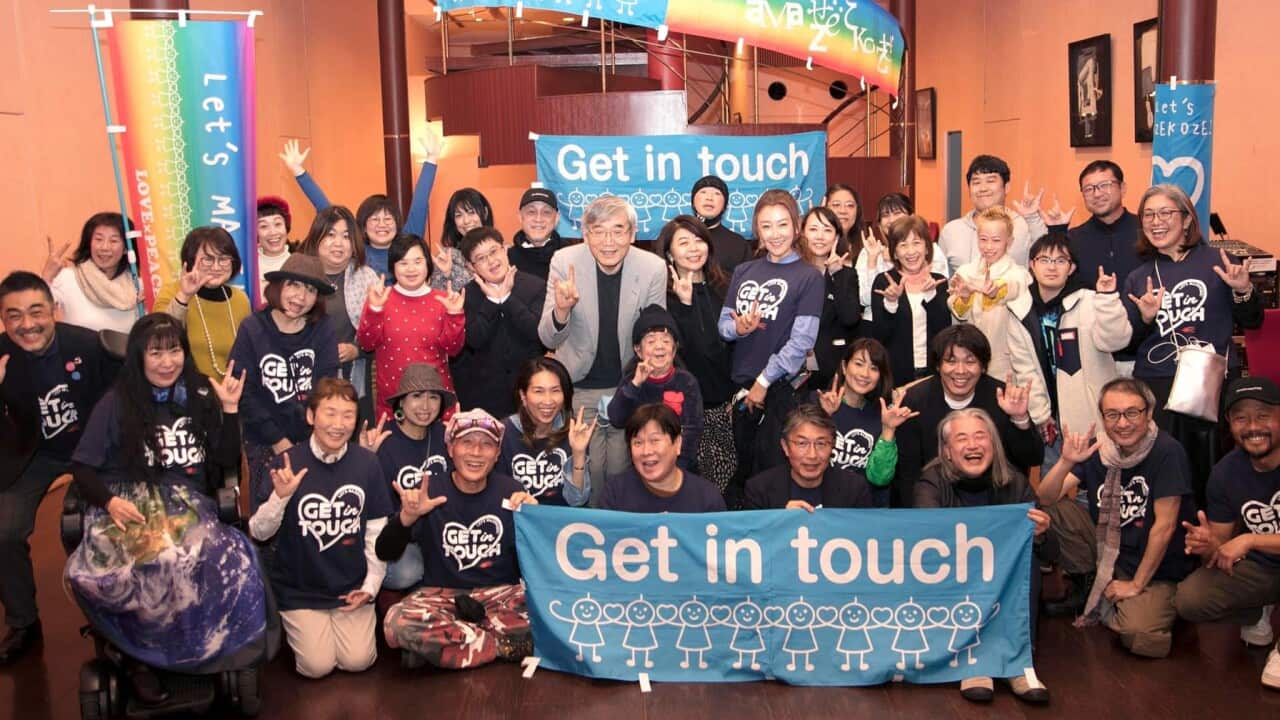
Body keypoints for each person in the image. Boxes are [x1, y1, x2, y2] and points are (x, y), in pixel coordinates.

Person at [67, 313, 259, 704]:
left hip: (187, 502)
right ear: (139, 357)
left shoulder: (201, 394)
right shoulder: (116, 401)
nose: (167, 361)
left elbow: (223, 462)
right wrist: (109, 501)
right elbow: (81, 469)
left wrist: (230, 409)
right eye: (156, 353)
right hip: (128, 500)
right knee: (145, 563)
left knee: (229, 558)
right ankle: (138, 659)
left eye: (174, 351)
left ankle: (206, 650)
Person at [0, 271, 115, 664]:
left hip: (88, 452)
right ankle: (23, 622)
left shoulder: (88, 343)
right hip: (30, 456)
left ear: (54, 310)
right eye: (13, 316)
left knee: (86, 526)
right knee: (3, 532)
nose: (27, 324)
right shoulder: (1, 357)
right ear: (3, 320)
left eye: (36, 311)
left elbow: (118, 402)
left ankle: (111, 619)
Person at [1036, 378, 1195, 659]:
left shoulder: (1167, 452)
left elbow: (1165, 527)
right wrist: (1066, 462)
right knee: (1048, 511)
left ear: (1149, 413)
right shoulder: (1101, 449)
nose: (1122, 423)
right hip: (1111, 554)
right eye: (1112, 415)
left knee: (1141, 636)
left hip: (1156, 567)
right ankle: (1093, 585)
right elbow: (1047, 498)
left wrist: (1136, 585)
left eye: (1132, 413)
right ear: (1103, 418)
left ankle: (1155, 602)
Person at [1123, 184, 1262, 503]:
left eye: (1165, 213)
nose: (1155, 221)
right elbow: (1130, 344)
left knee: (1209, 475)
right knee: (1163, 478)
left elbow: (1253, 321)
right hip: (1156, 384)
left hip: (1208, 385)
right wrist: (1145, 319)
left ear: (1186, 219)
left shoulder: (1220, 261)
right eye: (1148, 215)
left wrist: (1242, 290)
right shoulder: (1138, 276)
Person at [248, 378, 392, 679]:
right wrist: (281, 498)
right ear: (311, 417)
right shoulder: (286, 462)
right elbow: (259, 532)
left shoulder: (368, 464)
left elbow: (377, 533)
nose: (338, 424)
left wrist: (370, 588)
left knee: (358, 661)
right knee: (317, 667)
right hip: (299, 589)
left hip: (350, 588)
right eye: (329, 413)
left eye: (348, 415)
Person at [379, 409, 539, 670]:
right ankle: (501, 645)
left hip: (500, 595)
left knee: (547, 613)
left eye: (486, 444)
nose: (476, 452)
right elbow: (384, 551)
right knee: (396, 622)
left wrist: (535, 517)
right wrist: (406, 517)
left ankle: (448, 647)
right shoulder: (428, 490)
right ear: (451, 448)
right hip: (442, 597)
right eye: (466, 442)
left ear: (497, 454)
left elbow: (536, 561)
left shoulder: (511, 490)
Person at [915, 408, 1053, 704]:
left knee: (1026, 561)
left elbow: (1050, 553)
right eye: (962, 439)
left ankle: (1019, 663)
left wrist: (1040, 532)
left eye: (981, 436)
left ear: (993, 444)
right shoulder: (931, 481)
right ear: (948, 452)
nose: (973, 445)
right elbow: (927, 542)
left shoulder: (1015, 482)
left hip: (1002, 586)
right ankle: (972, 657)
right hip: (951, 584)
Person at [539, 195, 667, 500]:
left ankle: (623, 539)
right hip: (581, 387)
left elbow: (654, 333)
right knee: (591, 472)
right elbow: (548, 339)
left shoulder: (652, 267)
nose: (608, 241)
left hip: (628, 386)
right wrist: (561, 311)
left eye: (618, 230)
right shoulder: (563, 262)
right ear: (585, 234)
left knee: (625, 472)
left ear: (633, 234)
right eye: (598, 231)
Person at [1174, 377, 1280, 689]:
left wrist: (1248, 539)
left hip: (1259, 551)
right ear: (1229, 425)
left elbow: (1242, 542)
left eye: (1263, 416)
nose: (1252, 426)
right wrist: (1207, 545)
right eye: (1241, 418)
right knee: (1190, 599)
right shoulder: (1224, 473)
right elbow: (1221, 545)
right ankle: (1258, 607)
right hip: (1262, 567)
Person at [718, 189, 824, 485]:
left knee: (774, 477)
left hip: (780, 390)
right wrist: (738, 329)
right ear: (757, 230)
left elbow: (802, 342)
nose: (775, 234)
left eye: (782, 224)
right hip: (741, 387)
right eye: (766, 226)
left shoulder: (809, 276)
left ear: (796, 226)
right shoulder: (744, 270)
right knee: (744, 475)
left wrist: (763, 382)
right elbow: (723, 324)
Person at [1006, 233, 1131, 469]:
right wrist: (1041, 415)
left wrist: (1107, 299)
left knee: (1095, 490)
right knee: (1053, 491)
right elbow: (1025, 369)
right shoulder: (1019, 310)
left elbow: (1116, 341)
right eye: (1044, 260)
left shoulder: (1091, 301)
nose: (1052, 267)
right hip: (1051, 422)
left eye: (1060, 261)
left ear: (1071, 268)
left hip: (1092, 417)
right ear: (1032, 265)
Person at [229, 254, 340, 510]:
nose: (300, 297)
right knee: (269, 517)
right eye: (294, 285)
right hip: (263, 440)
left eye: (310, 290)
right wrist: (279, 441)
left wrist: (311, 439)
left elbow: (327, 385)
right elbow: (244, 390)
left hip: (313, 435)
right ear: (278, 287)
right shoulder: (252, 328)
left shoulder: (322, 328)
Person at [894, 325, 1043, 508]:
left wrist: (1019, 418)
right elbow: (908, 473)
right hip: (937, 501)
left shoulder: (1002, 398)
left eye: (970, 361)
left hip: (995, 501)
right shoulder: (915, 401)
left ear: (983, 367)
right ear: (938, 366)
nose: (961, 370)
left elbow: (1032, 459)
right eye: (951, 361)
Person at [279, 135, 440, 277]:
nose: (382, 225)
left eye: (388, 219)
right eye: (375, 219)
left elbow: (420, 203)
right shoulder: (356, 247)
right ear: (362, 226)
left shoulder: (408, 243)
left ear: (397, 224)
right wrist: (299, 171)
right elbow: (326, 210)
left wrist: (431, 159)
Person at [663, 216, 736, 491]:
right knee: (688, 487)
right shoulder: (663, 293)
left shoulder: (727, 285)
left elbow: (722, 347)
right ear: (670, 252)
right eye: (684, 242)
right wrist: (684, 304)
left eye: (699, 240)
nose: (694, 248)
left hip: (727, 406)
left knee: (726, 486)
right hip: (686, 409)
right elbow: (687, 349)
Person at [358, 234, 466, 416]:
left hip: (436, 400)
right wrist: (375, 309)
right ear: (393, 266)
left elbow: (453, 349)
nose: (411, 269)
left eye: (417, 261)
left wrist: (455, 315)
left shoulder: (443, 299)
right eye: (403, 262)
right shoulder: (380, 297)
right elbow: (367, 344)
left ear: (427, 264)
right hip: (394, 401)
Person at [369, 364, 455, 590]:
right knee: (407, 572)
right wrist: (366, 458)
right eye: (417, 396)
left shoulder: (445, 437)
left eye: (433, 397)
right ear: (401, 402)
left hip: (442, 532)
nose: (425, 406)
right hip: (401, 537)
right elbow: (377, 514)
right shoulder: (383, 441)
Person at [452, 227, 546, 418]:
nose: (491, 261)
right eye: (481, 258)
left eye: (494, 251)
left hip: (530, 394)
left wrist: (507, 298)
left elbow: (538, 334)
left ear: (505, 250)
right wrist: (492, 302)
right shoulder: (465, 295)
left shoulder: (535, 285)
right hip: (483, 399)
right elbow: (474, 340)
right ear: (471, 266)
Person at [812, 339, 916, 507]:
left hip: (863, 512)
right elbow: (804, 458)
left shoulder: (881, 416)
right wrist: (824, 415)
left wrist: (888, 429)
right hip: (819, 506)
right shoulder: (816, 402)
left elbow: (880, 479)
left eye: (874, 368)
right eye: (859, 364)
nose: (865, 374)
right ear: (845, 367)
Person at [297, 206, 380, 415]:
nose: (339, 243)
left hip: (353, 379)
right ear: (317, 237)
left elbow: (381, 333)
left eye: (346, 236)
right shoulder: (297, 275)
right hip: (305, 377)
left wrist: (356, 349)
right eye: (331, 235)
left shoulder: (367, 278)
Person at [607, 304, 704, 468]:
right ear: (638, 350)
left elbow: (693, 431)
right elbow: (616, 419)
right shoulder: (632, 381)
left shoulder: (687, 382)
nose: (659, 346)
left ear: (674, 350)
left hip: (678, 466)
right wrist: (635, 384)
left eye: (666, 341)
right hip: (640, 464)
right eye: (651, 341)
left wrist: (674, 472)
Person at [154, 227, 253, 382]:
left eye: (223, 259)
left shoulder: (240, 300)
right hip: (187, 393)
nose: (216, 267)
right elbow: (160, 338)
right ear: (190, 260)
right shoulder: (172, 292)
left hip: (234, 392)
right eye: (208, 259)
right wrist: (184, 296)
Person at [948, 207, 1033, 381]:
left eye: (996, 240)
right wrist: (964, 297)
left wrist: (995, 292)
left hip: (1004, 362)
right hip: (968, 359)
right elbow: (957, 311)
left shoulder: (1019, 273)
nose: (988, 247)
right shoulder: (966, 271)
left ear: (1009, 241)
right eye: (983, 239)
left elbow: (1013, 287)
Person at [599, 403, 726, 513]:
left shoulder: (707, 497)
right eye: (638, 443)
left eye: (655, 440)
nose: (646, 451)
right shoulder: (615, 493)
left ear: (677, 443)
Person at [500, 357, 593, 506]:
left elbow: (577, 501)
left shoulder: (574, 431)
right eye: (539, 391)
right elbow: (497, 498)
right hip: (519, 520)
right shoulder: (503, 433)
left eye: (555, 391)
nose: (548, 401)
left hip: (560, 522)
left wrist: (578, 453)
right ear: (523, 396)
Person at [870, 215, 951, 385]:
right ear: (894, 253)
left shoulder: (939, 281)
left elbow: (944, 331)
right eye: (903, 245)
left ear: (927, 248)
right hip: (895, 374)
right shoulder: (884, 281)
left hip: (933, 372)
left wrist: (931, 296)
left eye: (916, 243)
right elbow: (880, 336)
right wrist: (891, 303)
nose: (911, 251)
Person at [743, 404, 873, 510]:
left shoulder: (854, 489)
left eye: (821, 443)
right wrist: (781, 519)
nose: (812, 455)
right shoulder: (759, 490)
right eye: (802, 443)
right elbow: (753, 539)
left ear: (833, 446)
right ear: (785, 447)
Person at [937, 154, 1049, 273]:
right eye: (976, 182)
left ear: (1006, 187)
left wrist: (1031, 217)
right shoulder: (951, 231)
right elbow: (942, 278)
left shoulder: (1023, 225)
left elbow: (1048, 257)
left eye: (990, 181)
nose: (983, 188)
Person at [1043, 161, 1142, 293]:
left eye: (1104, 185)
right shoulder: (1074, 238)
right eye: (1089, 189)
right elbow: (1055, 283)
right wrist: (1057, 233)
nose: (1097, 194)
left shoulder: (1146, 230)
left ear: (1122, 188)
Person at [854, 194, 947, 329]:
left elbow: (941, 288)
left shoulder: (930, 249)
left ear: (912, 217)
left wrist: (896, 259)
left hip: (924, 320)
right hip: (878, 325)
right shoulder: (868, 251)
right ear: (879, 224)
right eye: (885, 215)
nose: (891, 220)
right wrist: (872, 260)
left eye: (897, 213)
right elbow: (865, 300)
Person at [797, 206, 860, 390]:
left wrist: (836, 275)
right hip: (793, 368)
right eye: (813, 229)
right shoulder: (792, 273)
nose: (820, 236)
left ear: (836, 237)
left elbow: (850, 318)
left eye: (827, 230)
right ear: (802, 234)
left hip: (831, 370)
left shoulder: (846, 275)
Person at [46, 212, 140, 334]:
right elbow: (38, 310)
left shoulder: (136, 287)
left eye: (114, 241)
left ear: (126, 249)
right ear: (89, 243)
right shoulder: (68, 278)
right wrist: (47, 277)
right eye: (99, 239)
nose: (105, 247)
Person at [687, 175, 751, 274]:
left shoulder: (738, 244)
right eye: (703, 192)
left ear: (725, 205)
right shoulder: (677, 237)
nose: (709, 198)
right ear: (693, 202)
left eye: (717, 194)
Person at [434, 188, 490, 291]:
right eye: (459, 215)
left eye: (471, 212)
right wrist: (447, 274)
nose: (466, 221)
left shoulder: (500, 251)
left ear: (485, 213)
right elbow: (436, 299)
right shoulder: (449, 257)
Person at [508, 188, 567, 281]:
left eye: (546, 212)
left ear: (556, 218)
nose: (538, 219)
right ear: (520, 216)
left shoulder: (569, 255)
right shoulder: (506, 259)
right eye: (531, 212)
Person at [256, 196, 293, 303]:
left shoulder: (300, 265)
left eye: (277, 224)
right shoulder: (247, 268)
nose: (273, 232)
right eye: (263, 226)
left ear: (286, 227)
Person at [822, 183, 866, 259]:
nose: (843, 211)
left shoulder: (868, 250)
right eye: (836, 205)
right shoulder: (816, 247)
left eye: (850, 205)